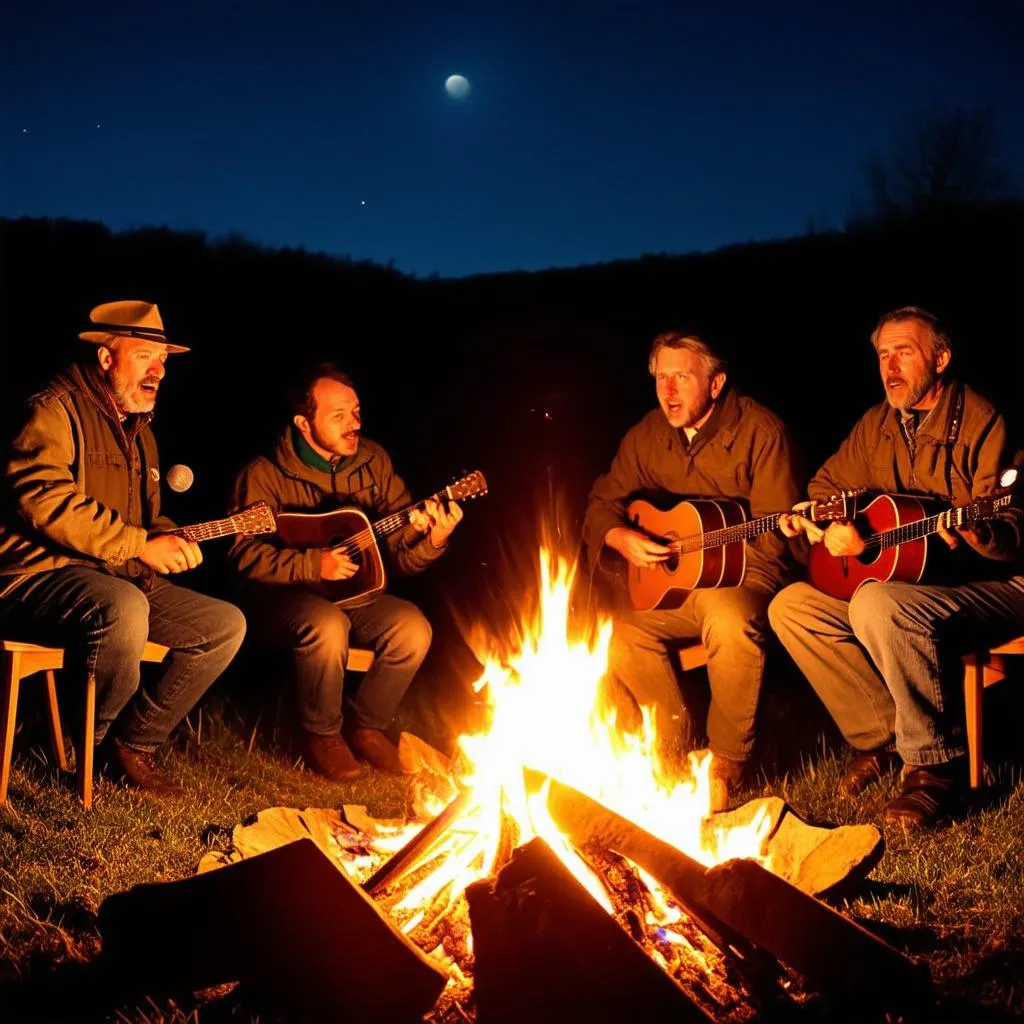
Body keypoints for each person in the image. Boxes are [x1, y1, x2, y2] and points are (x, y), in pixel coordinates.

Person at [770, 307, 1024, 827]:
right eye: (883, 355)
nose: (890, 366)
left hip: (998, 584)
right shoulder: (877, 425)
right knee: (792, 606)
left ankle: (934, 769)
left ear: (941, 358)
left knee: (879, 601)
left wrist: (983, 531)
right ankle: (882, 736)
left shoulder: (984, 421)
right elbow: (823, 488)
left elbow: (1015, 524)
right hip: (912, 583)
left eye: (904, 352)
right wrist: (836, 525)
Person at [0, 301, 247, 796]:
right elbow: (42, 498)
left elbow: (146, 521)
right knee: (125, 607)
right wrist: (141, 544)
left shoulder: (142, 432)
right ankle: (79, 747)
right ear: (107, 357)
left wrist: (173, 538)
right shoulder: (54, 406)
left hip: (115, 571)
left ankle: (132, 744)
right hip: (37, 575)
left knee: (223, 626)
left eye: (163, 360)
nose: (158, 371)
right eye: (144, 357)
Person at [583, 331, 804, 807]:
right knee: (618, 630)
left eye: (682, 377)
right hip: (681, 585)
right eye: (662, 378)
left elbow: (776, 536)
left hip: (747, 574)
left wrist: (706, 563)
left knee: (726, 616)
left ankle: (726, 761)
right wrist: (620, 536)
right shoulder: (647, 435)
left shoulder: (761, 432)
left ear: (716, 383)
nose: (669, 391)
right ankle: (670, 747)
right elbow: (603, 500)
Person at [227, 362, 461, 780]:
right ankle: (322, 735)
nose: (354, 423)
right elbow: (242, 556)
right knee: (326, 623)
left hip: (356, 594)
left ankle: (369, 727)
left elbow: (401, 557)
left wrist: (432, 539)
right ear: (304, 422)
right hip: (285, 598)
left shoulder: (373, 462)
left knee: (412, 628)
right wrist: (313, 563)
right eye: (338, 416)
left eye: (355, 411)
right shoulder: (263, 474)